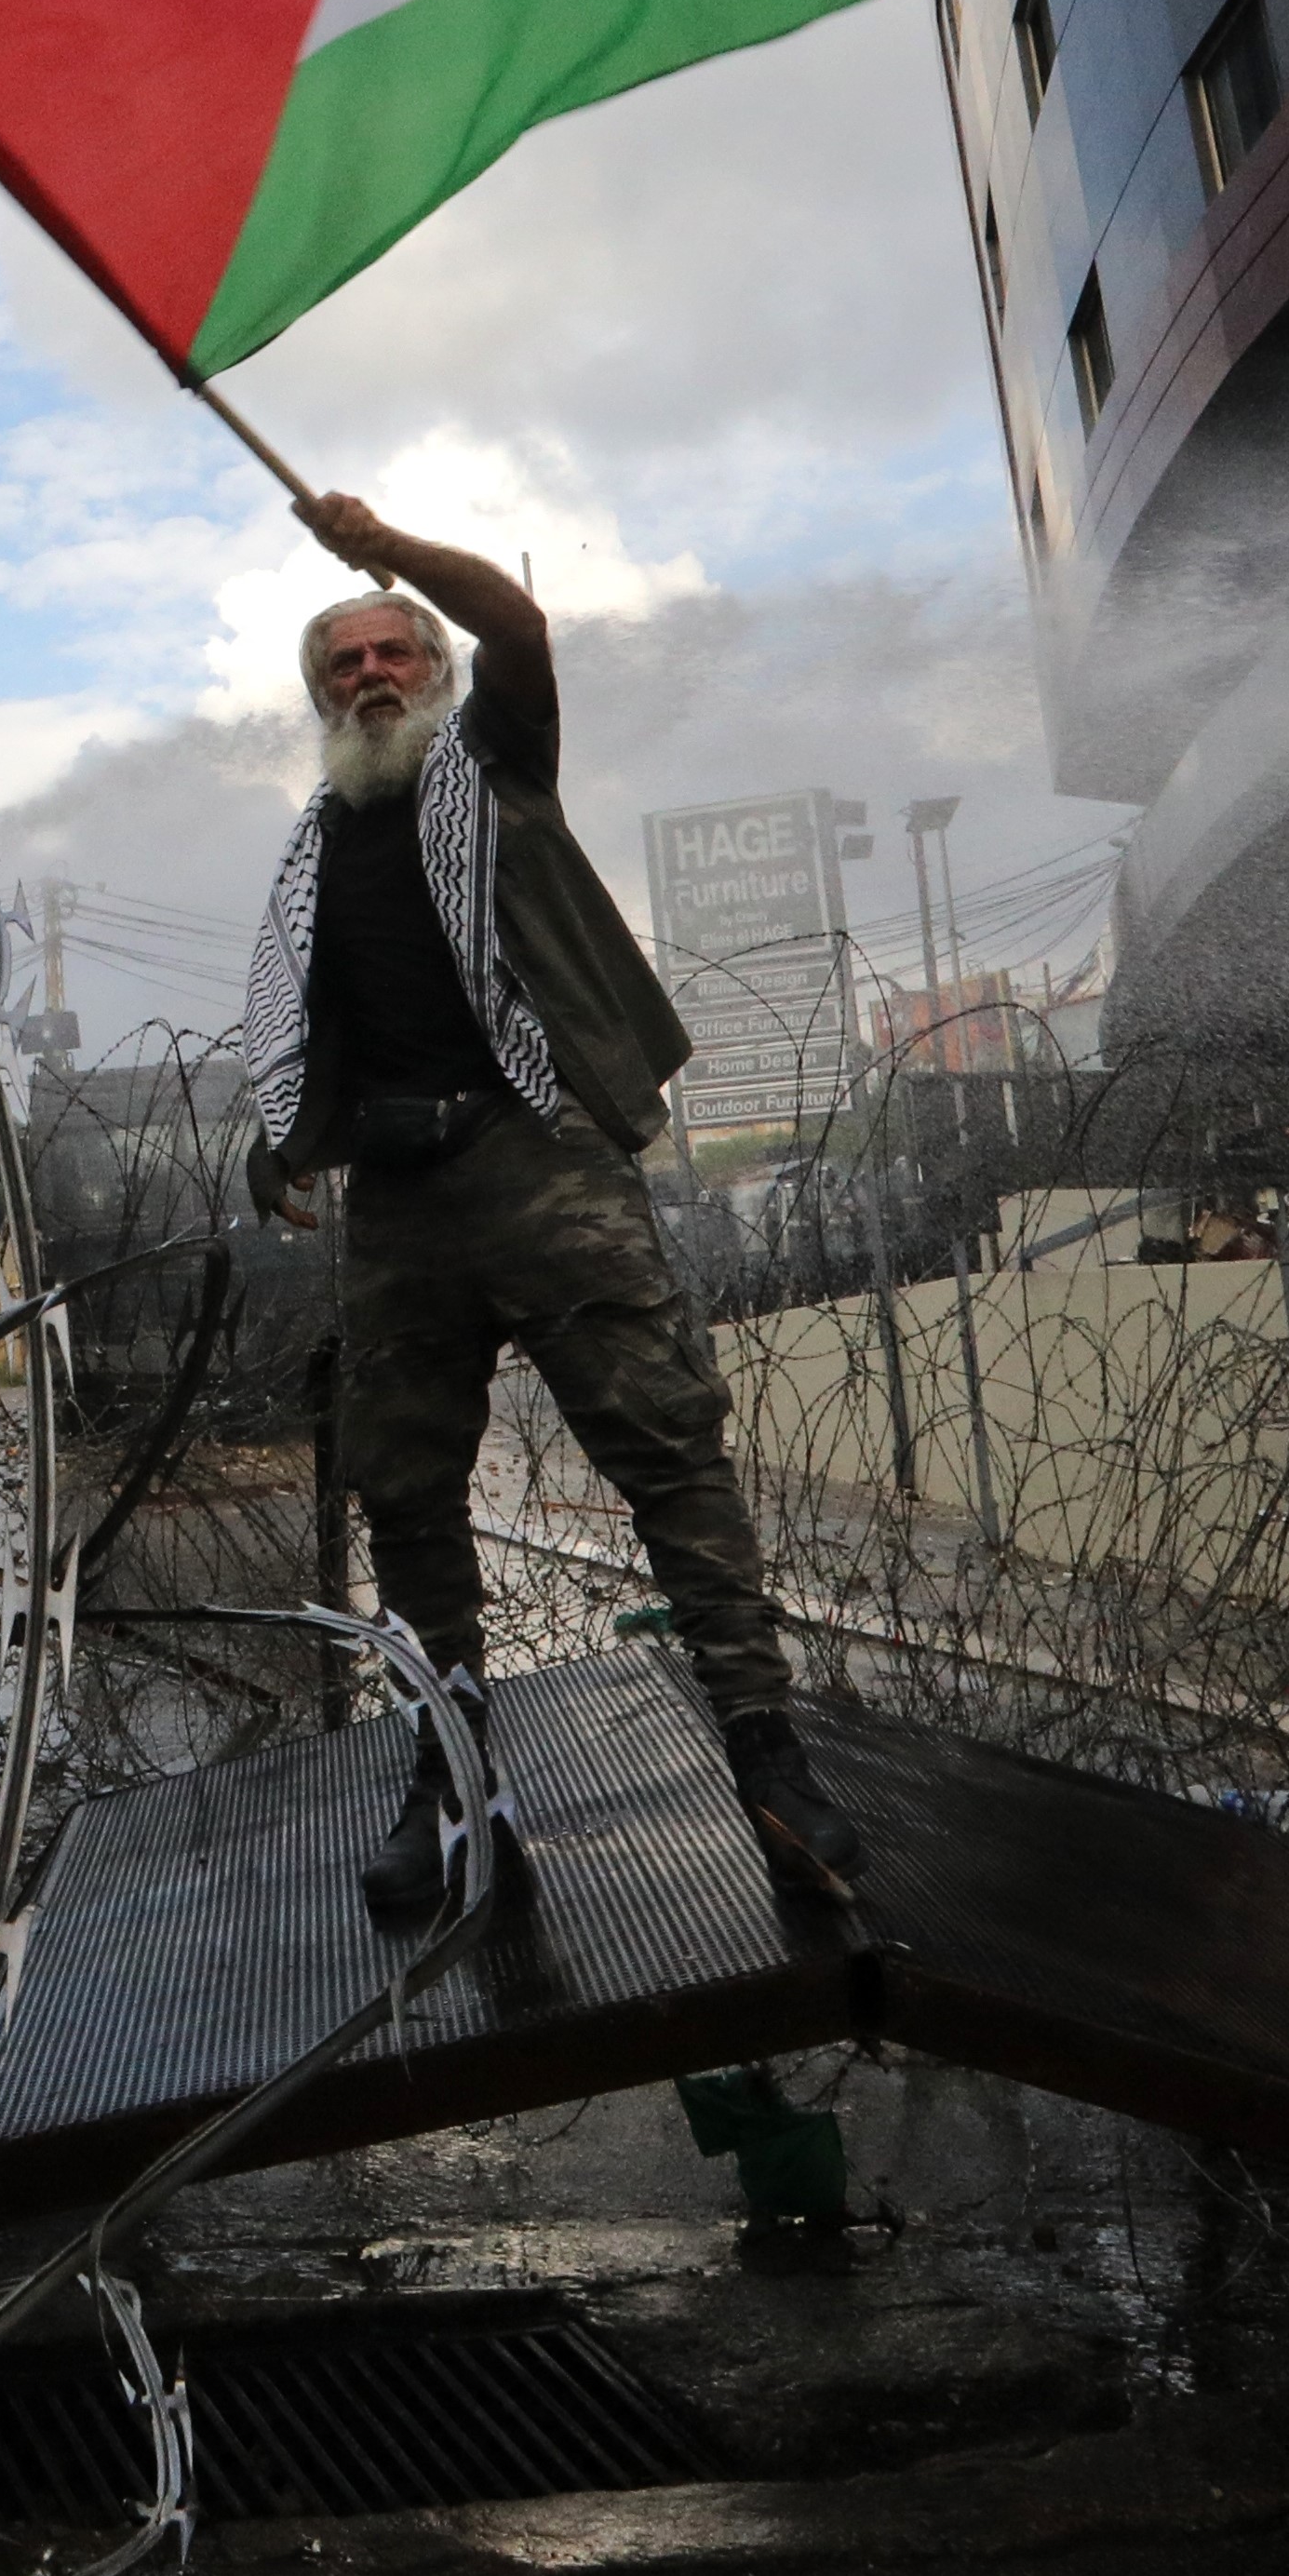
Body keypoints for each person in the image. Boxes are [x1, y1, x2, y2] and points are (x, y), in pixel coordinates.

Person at [248, 490, 861, 1930]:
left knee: (664, 1448)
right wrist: (277, 1141)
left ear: (434, 672)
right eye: (345, 663)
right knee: (405, 1491)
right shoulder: (314, 851)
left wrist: (388, 549)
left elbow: (519, 623)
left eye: (394, 652)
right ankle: (451, 1778)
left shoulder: (496, 772)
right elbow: (302, 1028)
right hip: (398, 1196)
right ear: (322, 698)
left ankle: (767, 1755)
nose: (371, 674)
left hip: (538, 1153)